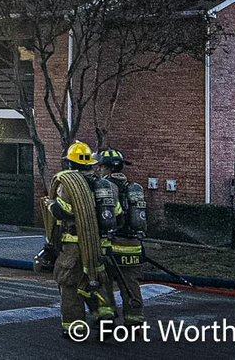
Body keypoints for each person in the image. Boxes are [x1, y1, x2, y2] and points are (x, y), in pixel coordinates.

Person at [44, 141, 118, 338]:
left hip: (75, 245)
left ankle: (74, 328)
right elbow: (116, 214)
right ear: (90, 164)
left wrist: (50, 204)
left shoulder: (68, 184)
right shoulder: (104, 185)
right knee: (97, 281)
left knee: (69, 285)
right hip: (100, 244)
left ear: (69, 163)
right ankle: (105, 317)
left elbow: (64, 212)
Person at [98, 148, 145, 327]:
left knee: (104, 282)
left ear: (107, 168)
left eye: (101, 166)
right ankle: (135, 320)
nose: (99, 170)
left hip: (112, 244)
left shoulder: (104, 188)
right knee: (131, 284)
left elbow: (102, 217)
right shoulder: (132, 188)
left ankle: (107, 318)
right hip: (134, 245)